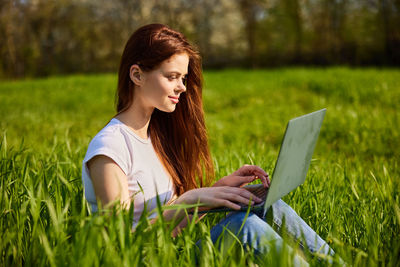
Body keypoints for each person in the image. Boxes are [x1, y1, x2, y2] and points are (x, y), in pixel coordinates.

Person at [81, 23, 337, 265]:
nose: (182, 87)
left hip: (175, 254)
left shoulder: (153, 138)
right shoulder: (111, 147)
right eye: (172, 76)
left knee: (270, 205)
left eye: (183, 77)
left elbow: (173, 228)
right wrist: (190, 199)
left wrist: (215, 193)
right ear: (137, 75)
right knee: (244, 228)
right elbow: (120, 241)